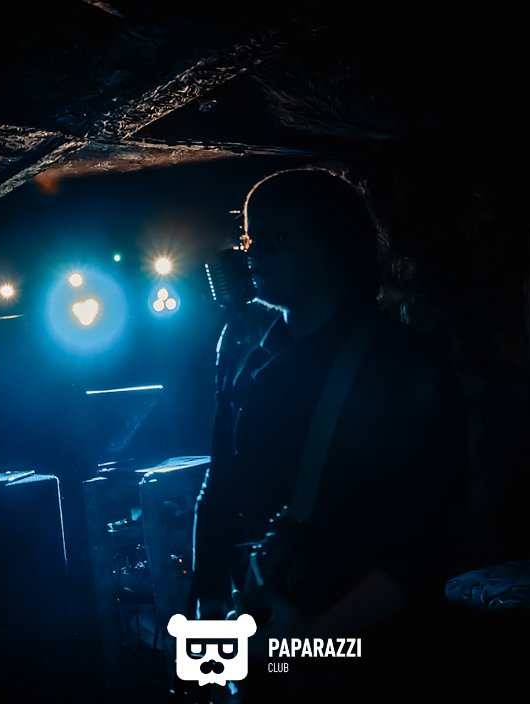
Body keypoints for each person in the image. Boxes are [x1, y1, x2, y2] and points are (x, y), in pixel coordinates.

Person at [188, 168, 469, 698]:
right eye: (249, 239)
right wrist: (208, 597)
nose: (252, 255)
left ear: (334, 245)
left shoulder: (399, 362)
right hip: (271, 638)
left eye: (274, 238)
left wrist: (316, 637)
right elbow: (220, 482)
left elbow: (430, 534)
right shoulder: (248, 359)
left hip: (370, 654)